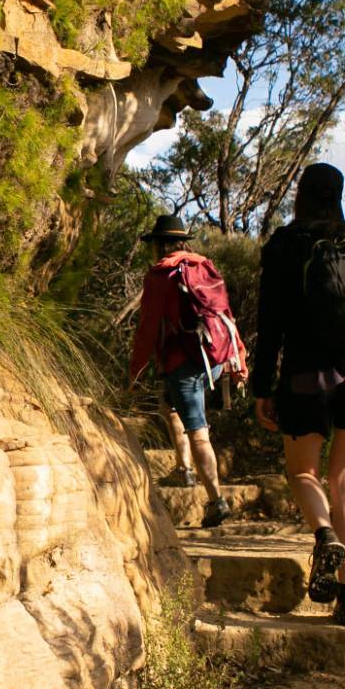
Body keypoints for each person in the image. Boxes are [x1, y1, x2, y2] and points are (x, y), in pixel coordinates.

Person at [249, 163, 345, 627]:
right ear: (339, 195)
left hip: (307, 371)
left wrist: (262, 386)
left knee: (302, 471)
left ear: (301, 195)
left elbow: (270, 322)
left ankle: (323, 533)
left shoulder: (286, 243)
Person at [128, 214, 248, 529]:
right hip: (216, 356)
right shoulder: (204, 266)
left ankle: (215, 500)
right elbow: (225, 314)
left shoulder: (162, 274)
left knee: (198, 431)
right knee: (167, 406)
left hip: (184, 363)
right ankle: (184, 468)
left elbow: (148, 328)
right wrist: (240, 358)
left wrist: (134, 371)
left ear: (160, 245)